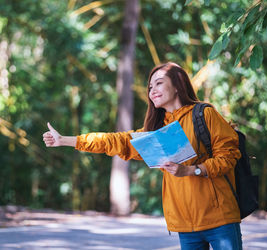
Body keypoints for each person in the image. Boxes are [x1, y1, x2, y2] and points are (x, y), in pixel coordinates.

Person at [43, 62, 243, 250]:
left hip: (220, 219)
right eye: (149, 87)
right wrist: (67, 140)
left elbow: (229, 156)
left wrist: (192, 170)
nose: (152, 90)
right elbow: (115, 141)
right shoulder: (157, 131)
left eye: (159, 83)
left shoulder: (204, 114)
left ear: (178, 85)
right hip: (186, 225)